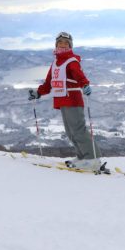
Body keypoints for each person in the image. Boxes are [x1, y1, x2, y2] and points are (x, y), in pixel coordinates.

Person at [28, 32, 100, 170]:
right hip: (62, 100)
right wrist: (38, 93)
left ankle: (92, 159)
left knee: (78, 130)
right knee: (71, 132)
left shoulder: (71, 61)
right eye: (60, 42)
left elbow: (80, 76)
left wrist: (85, 85)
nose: (63, 45)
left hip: (72, 99)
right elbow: (48, 83)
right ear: (56, 45)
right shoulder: (56, 63)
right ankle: (82, 157)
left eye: (66, 43)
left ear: (70, 46)